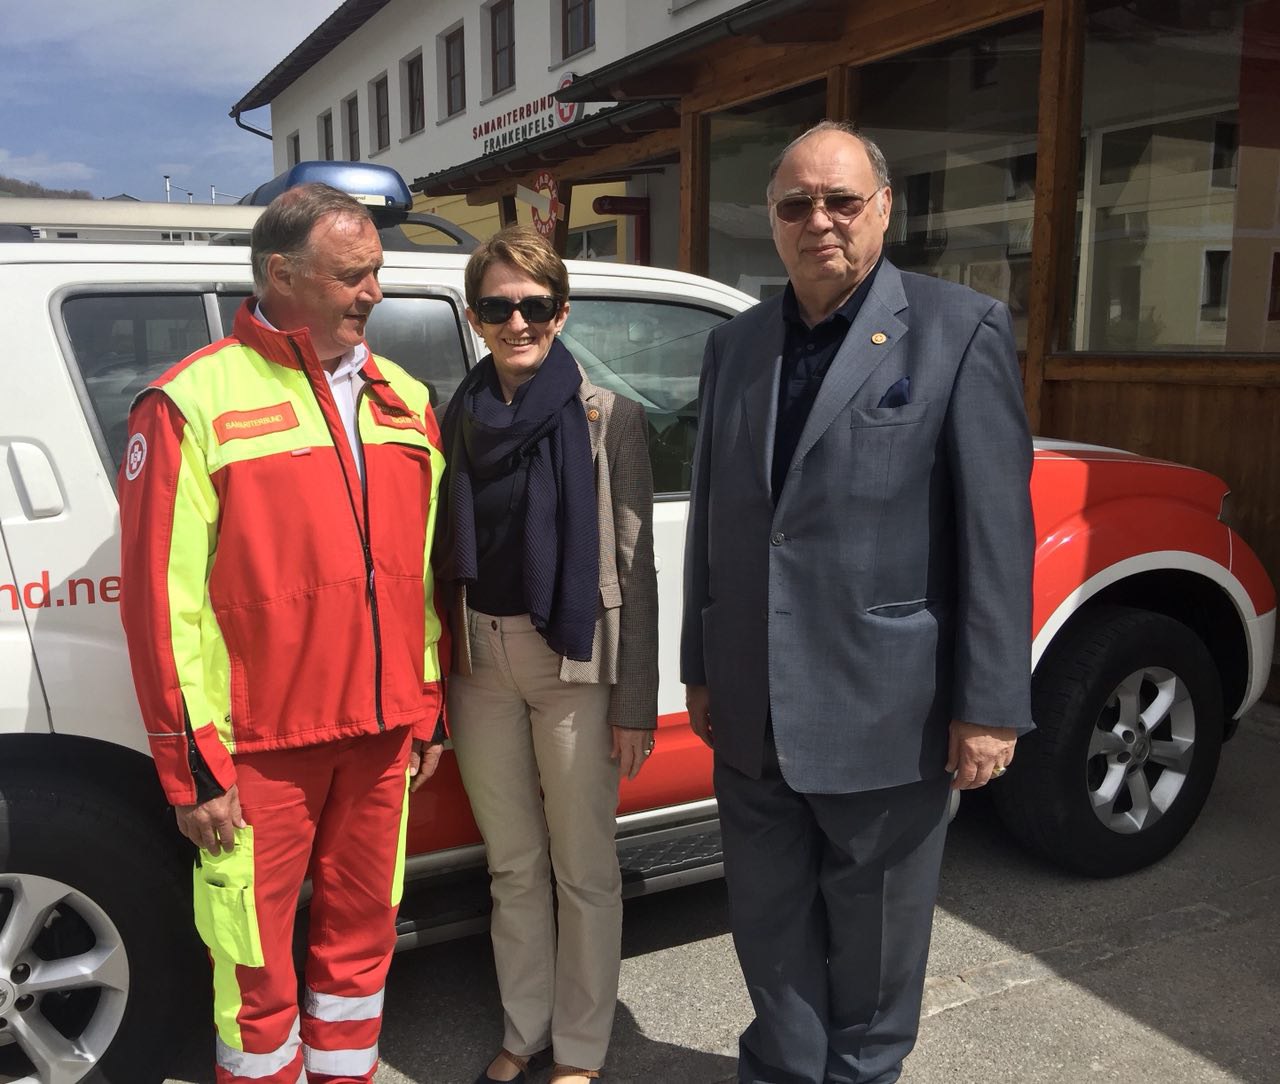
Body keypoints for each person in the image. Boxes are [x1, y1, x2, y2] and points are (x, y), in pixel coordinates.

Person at [681, 121, 1035, 1084]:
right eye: (797, 204)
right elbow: (718, 514)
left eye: (842, 200)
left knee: (876, 969)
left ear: (884, 208)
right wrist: (701, 666)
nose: (820, 221)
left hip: (889, 716)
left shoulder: (960, 330)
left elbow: (996, 535)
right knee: (771, 942)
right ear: (773, 220)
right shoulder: (736, 346)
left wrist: (991, 705)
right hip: (754, 716)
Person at [118, 183, 447, 1084]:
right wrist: (193, 769)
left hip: (381, 739)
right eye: (352, 275)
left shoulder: (406, 400)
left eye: (377, 271)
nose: (374, 292)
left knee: (359, 950)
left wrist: (424, 709)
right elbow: (160, 605)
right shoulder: (189, 402)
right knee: (254, 968)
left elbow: (416, 579)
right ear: (281, 273)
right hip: (259, 751)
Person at [434, 224, 658, 1084]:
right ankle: (522, 1031)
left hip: (573, 662)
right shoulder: (456, 414)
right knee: (513, 866)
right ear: (474, 315)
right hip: (479, 664)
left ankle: (581, 1047)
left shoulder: (608, 417)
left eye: (533, 306)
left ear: (561, 314)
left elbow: (635, 564)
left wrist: (634, 699)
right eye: (498, 306)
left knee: (583, 868)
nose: (516, 322)